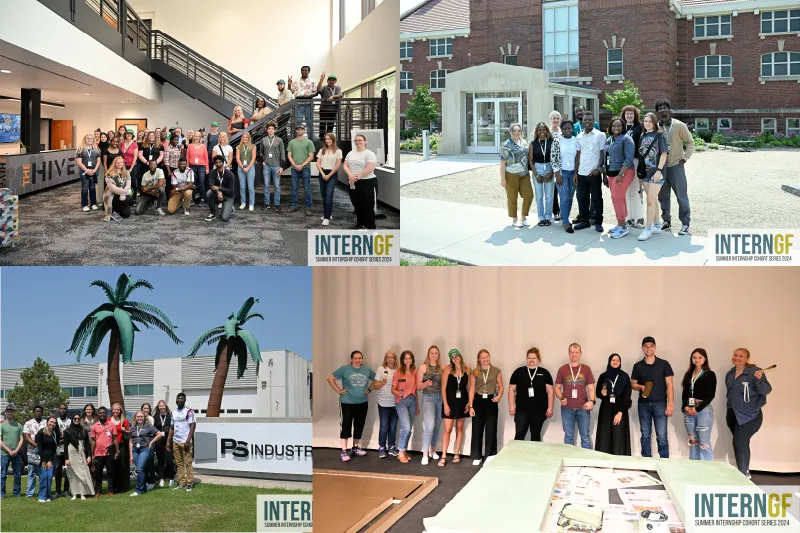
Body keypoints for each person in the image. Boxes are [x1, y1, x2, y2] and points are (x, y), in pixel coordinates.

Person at [725, 348, 771, 478]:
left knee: (739, 442)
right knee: (742, 443)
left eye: (741, 356)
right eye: (735, 355)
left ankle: (742, 474)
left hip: (750, 416)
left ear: (747, 359)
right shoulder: (730, 373)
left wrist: (760, 379)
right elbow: (730, 394)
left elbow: (766, 390)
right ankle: (745, 471)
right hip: (733, 414)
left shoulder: (755, 372)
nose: (737, 358)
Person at [655, 98, 694, 235]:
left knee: (681, 196)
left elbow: (690, 142)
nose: (663, 110)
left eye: (665, 107)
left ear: (669, 109)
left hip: (676, 166)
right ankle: (666, 221)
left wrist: (684, 159)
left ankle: (685, 224)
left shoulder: (679, 125)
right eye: (660, 108)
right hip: (661, 167)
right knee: (663, 197)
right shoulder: (656, 127)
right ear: (657, 112)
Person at [631, 336, 675, 458]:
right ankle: (646, 464)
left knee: (662, 436)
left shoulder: (664, 364)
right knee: (645, 435)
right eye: (646, 346)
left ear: (655, 347)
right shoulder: (637, 366)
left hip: (660, 404)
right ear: (642, 348)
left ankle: (665, 464)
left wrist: (670, 404)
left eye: (651, 346)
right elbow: (633, 384)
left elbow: (670, 384)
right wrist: (640, 387)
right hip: (643, 405)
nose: (648, 348)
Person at [328, 350, 376, 462]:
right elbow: (330, 378)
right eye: (355, 358)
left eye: (360, 358)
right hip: (347, 403)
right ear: (351, 359)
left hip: (362, 402)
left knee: (359, 425)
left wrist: (369, 389)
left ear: (362, 359)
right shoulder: (344, 369)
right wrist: (339, 390)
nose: (357, 360)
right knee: (346, 426)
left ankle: (355, 448)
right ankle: (344, 452)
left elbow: (376, 379)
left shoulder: (367, 370)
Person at [554, 344, 596, 449]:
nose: (574, 355)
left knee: (585, 437)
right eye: (572, 352)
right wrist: (561, 398)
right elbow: (557, 388)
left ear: (580, 353)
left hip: (583, 408)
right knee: (569, 437)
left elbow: (591, 388)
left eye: (576, 352)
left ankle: (587, 463)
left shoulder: (586, 369)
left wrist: (592, 402)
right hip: (567, 408)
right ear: (569, 353)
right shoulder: (562, 369)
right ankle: (569, 463)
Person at [509, 347, 554, 442]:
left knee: (536, 435)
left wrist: (550, 408)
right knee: (519, 435)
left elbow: (550, 392)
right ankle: (516, 456)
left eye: (534, 358)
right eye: (529, 358)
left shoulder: (544, 373)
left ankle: (535, 457)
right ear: (526, 359)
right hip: (521, 410)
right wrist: (511, 406)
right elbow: (511, 390)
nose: (531, 360)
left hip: (539, 411)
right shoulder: (518, 372)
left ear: (538, 359)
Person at [636, 112, 669, 241]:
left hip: (657, 173)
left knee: (650, 200)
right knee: (652, 200)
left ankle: (647, 229)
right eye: (645, 121)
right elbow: (640, 155)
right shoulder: (642, 136)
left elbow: (664, 154)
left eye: (650, 121)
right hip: (645, 172)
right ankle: (656, 225)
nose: (647, 123)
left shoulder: (660, 135)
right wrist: (640, 173)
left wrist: (659, 171)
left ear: (654, 122)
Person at [468, 349, 503, 466]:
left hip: (491, 401)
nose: (485, 359)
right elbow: (472, 389)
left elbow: (501, 387)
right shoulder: (475, 372)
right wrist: (471, 406)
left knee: (491, 428)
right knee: (477, 429)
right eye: (482, 357)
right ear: (479, 359)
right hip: (478, 401)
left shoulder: (496, 371)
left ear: (490, 357)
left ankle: (490, 455)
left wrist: (499, 397)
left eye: (487, 357)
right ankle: (477, 456)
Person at [681, 348, 716, 461]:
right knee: (693, 441)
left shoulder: (710, 374)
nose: (697, 360)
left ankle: (706, 472)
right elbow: (685, 393)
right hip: (689, 411)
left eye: (700, 357)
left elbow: (711, 395)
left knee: (704, 443)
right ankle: (694, 469)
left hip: (703, 411)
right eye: (694, 357)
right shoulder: (689, 374)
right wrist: (684, 406)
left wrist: (698, 409)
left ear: (705, 359)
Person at [604, 116, 636, 239]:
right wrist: (605, 174)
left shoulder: (626, 139)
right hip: (611, 172)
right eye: (614, 125)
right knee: (617, 198)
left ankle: (622, 227)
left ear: (623, 127)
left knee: (617, 198)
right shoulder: (610, 139)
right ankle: (620, 224)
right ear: (610, 127)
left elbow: (629, 159)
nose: (616, 128)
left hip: (623, 172)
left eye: (618, 125)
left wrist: (621, 174)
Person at [573, 112, 606, 232]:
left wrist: (599, 169)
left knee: (597, 198)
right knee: (583, 198)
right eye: (585, 120)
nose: (587, 122)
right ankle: (585, 221)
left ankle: (598, 222)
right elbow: (578, 155)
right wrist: (576, 172)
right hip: (582, 173)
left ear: (594, 121)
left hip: (594, 173)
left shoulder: (600, 135)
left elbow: (603, 153)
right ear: (582, 121)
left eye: (590, 120)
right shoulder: (579, 136)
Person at [594, 354, 632, 456]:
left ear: (620, 362)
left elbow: (627, 396)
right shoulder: (603, 376)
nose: (615, 362)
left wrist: (620, 413)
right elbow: (597, 393)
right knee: (605, 436)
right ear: (609, 361)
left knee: (618, 437)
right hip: (606, 410)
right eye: (613, 360)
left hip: (620, 410)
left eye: (617, 360)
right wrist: (601, 393)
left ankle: (619, 464)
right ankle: (604, 462)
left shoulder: (624, 376)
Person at [440, 349, 470, 466]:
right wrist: (446, 404)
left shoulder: (467, 368)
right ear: (450, 359)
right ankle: (443, 456)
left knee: (459, 428)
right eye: (453, 357)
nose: (456, 358)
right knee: (447, 430)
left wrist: (469, 403)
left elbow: (469, 388)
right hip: (450, 402)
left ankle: (456, 453)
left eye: (457, 356)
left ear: (460, 356)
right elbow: (443, 388)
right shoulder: (447, 369)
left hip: (462, 402)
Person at [499, 123, 532, 228]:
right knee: (512, 197)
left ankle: (523, 217)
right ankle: (514, 219)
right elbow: (502, 164)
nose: (517, 133)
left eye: (518, 131)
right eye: (514, 131)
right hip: (511, 175)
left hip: (524, 174)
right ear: (510, 132)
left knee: (529, 195)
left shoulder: (524, 142)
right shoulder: (506, 145)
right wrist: (503, 179)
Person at [344, 134, 379, 229]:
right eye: (355, 140)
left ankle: (371, 228)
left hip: (367, 182)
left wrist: (357, 177)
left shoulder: (369, 153)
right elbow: (345, 165)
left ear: (365, 141)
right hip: (353, 182)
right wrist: (351, 176)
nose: (357, 142)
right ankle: (360, 224)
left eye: (360, 140)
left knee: (367, 207)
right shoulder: (350, 153)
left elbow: (370, 168)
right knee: (357, 205)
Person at [417, 345, 444, 466]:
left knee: (437, 425)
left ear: (438, 355)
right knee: (430, 426)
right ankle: (425, 454)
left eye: (436, 353)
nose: (434, 355)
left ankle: (432, 450)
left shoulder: (441, 368)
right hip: (428, 398)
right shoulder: (423, 367)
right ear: (428, 354)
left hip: (440, 398)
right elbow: (418, 386)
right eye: (432, 353)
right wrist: (426, 384)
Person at [392, 350, 419, 464]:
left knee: (409, 428)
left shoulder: (414, 371)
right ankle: (401, 452)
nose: (408, 360)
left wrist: (417, 405)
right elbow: (393, 389)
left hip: (412, 401)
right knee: (406, 428)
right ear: (402, 360)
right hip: (401, 402)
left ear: (412, 359)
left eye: (410, 358)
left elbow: (416, 389)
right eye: (406, 358)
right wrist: (400, 394)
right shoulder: (398, 372)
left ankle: (404, 451)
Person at [128, 411, 163, 496]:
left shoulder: (149, 426)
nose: (139, 418)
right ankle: (143, 488)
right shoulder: (132, 428)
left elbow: (160, 434)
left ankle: (138, 490)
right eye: (138, 417)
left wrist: (151, 442)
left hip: (144, 449)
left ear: (144, 418)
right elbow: (131, 442)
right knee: (141, 469)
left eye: (141, 417)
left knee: (139, 468)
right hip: (135, 450)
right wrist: (131, 455)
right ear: (135, 418)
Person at [528, 122, 556, 226]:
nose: (542, 132)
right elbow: (530, 160)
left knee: (549, 196)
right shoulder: (533, 143)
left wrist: (551, 173)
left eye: (543, 130)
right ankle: (541, 217)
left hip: (549, 168)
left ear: (547, 131)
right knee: (539, 196)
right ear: (537, 131)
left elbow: (555, 159)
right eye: (539, 130)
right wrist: (536, 175)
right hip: (537, 169)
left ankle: (548, 217)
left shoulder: (552, 142)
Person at [166, 392, 196, 491]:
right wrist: (168, 441)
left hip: (185, 441)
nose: (180, 400)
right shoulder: (173, 413)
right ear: (176, 400)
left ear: (185, 400)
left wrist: (188, 440)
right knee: (179, 463)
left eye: (182, 398)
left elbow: (192, 426)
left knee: (188, 463)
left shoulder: (189, 411)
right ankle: (182, 482)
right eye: (178, 398)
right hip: (176, 441)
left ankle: (189, 483)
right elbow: (171, 427)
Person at [373, 350, 399, 459]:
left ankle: (392, 447)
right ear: (385, 359)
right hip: (383, 403)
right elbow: (375, 386)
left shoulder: (398, 370)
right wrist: (382, 383)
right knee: (384, 426)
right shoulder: (381, 369)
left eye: (392, 357)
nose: (390, 359)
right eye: (388, 357)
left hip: (396, 404)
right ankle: (382, 447)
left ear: (395, 359)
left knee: (393, 427)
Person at [552, 119, 577, 233]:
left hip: (573, 173)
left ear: (572, 129)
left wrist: (576, 173)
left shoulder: (576, 141)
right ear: (561, 130)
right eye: (565, 128)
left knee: (570, 197)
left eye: (569, 128)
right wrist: (557, 173)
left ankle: (564, 216)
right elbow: (554, 158)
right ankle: (566, 222)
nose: (567, 130)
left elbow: (578, 158)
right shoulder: (557, 141)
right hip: (562, 173)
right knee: (564, 197)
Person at [621, 105, 644, 229]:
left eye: (631, 114)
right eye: (627, 114)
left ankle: (639, 218)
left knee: (636, 189)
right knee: (625, 191)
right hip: (623, 162)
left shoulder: (639, 127)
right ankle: (628, 218)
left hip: (635, 160)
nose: (629, 116)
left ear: (635, 115)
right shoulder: (620, 127)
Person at [63, 412, 94, 500]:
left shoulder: (84, 430)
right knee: (73, 474)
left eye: (78, 419)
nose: (76, 420)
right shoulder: (67, 431)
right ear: (72, 420)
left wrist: (89, 456)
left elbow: (87, 444)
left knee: (82, 473)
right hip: (71, 453)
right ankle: (74, 493)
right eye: (75, 419)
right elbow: (65, 446)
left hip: (82, 453)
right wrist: (66, 458)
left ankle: (83, 493)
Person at [90, 406, 119, 497]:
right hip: (98, 453)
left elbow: (115, 438)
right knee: (98, 473)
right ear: (98, 414)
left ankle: (110, 490)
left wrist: (117, 451)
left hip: (109, 453)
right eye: (100, 413)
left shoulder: (111, 425)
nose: (102, 414)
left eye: (104, 413)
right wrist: (92, 454)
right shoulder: (94, 426)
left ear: (107, 414)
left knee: (110, 472)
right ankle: (98, 491)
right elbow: (93, 441)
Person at [287, 124, 316, 216]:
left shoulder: (309, 142)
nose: (299, 131)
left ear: (304, 131)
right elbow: (289, 155)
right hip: (294, 168)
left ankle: (308, 208)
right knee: (294, 188)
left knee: (307, 188)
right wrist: (295, 165)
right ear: (296, 131)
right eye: (298, 129)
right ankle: (294, 206)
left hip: (305, 168)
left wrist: (302, 165)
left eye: (301, 129)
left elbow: (311, 156)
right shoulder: (292, 142)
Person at [289, 66, 324, 139]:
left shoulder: (313, 81)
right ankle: (298, 140)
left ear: (309, 71)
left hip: (309, 104)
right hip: (298, 104)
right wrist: (289, 84)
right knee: (298, 123)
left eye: (306, 70)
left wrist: (308, 96)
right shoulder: (296, 81)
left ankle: (311, 140)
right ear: (301, 71)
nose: (304, 72)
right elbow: (290, 91)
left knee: (310, 123)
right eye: (303, 70)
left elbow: (316, 92)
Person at [316, 132, 343, 226]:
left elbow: (338, 165)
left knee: (328, 195)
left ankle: (327, 218)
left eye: (329, 139)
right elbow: (318, 163)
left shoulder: (338, 151)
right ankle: (328, 213)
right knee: (323, 195)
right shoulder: (322, 150)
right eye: (326, 139)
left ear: (333, 139)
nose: (327, 141)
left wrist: (329, 175)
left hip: (332, 174)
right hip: (322, 173)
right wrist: (323, 174)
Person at [0, 404, 24, 499]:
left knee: (17, 474)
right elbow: (0, 440)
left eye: (11, 411)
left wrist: (16, 450)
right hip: (4, 454)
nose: (10, 413)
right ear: (5, 412)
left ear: (13, 413)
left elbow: (21, 439)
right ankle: (1, 493)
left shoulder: (18, 425)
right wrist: (9, 450)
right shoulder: (2, 425)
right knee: (2, 474)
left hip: (16, 454)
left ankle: (16, 493)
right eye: (8, 411)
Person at [261, 121, 285, 212]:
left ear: (274, 130)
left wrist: (281, 166)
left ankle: (277, 204)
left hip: (276, 166)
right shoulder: (263, 140)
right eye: (269, 129)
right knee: (266, 185)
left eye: (272, 129)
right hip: (266, 166)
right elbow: (261, 152)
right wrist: (263, 161)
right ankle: (266, 203)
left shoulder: (279, 140)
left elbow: (282, 153)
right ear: (267, 130)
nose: (270, 130)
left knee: (277, 186)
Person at [23, 405, 47, 498]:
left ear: (42, 412)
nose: (38, 413)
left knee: (42, 472)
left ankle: (42, 492)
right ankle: (29, 494)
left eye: (40, 411)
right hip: (32, 451)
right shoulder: (28, 423)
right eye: (36, 411)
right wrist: (36, 445)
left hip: (43, 451)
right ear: (34, 412)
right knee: (32, 473)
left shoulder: (45, 423)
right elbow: (26, 436)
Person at [205, 155, 236, 222]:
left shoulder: (230, 174)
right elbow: (212, 186)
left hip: (228, 196)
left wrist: (220, 188)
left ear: (223, 162)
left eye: (220, 162)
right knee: (209, 193)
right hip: (217, 194)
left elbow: (231, 191)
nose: (218, 164)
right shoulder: (212, 172)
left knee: (224, 218)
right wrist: (218, 192)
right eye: (216, 162)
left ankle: (230, 208)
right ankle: (213, 213)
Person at [35, 417, 59, 502]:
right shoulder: (40, 433)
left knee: (49, 477)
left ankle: (48, 495)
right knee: (43, 477)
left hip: (51, 459)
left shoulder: (55, 433)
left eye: (54, 423)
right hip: (42, 458)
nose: (52, 424)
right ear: (47, 422)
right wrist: (44, 461)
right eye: (51, 422)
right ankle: (41, 497)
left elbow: (54, 448)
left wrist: (50, 460)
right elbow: (40, 448)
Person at [103, 156, 133, 221]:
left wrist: (123, 193)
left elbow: (128, 184)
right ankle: (113, 211)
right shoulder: (109, 173)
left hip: (122, 194)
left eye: (121, 162)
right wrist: (124, 192)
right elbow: (113, 188)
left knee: (126, 214)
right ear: (114, 163)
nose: (120, 164)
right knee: (128, 198)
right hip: (112, 194)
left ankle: (118, 210)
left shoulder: (126, 172)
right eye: (117, 163)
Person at [76, 133, 101, 212]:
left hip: (94, 170)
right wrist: (87, 170)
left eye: (91, 138)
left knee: (93, 188)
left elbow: (98, 161)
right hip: (84, 171)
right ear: (85, 139)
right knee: (85, 188)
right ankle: (84, 204)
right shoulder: (80, 149)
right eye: (88, 138)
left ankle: (93, 204)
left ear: (93, 140)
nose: (90, 140)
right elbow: (79, 162)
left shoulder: (96, 149)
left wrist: (94, 170)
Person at [153, 400, 174, 487]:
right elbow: (153, 428)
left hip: (168, 440)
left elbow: (173, 427)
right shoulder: (155, 417)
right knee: (160, 461)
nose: (162, 407)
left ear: (166, 406)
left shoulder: (170, 415)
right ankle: (162, 478)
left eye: (163, 405)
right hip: (159, 441)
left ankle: (171, 478)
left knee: (169, 460)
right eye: (160, 406)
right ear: (158, 407)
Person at [109, 403, 130, 493]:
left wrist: (124, 429)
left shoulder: (124, 421)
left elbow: (129, 432)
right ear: (112, 410)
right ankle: (114, 487)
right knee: (113, 466)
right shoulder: (108, 420)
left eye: (118, 410)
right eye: (114, 409)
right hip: (111, 446)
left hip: (122, 445)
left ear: (120, 411)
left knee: (122, 465)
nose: (116, 411)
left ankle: (123, 487)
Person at [136, 131, 163, 198]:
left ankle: (155, 194)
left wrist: (155, 163)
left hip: (155, 166)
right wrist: (147, 162)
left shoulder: (160, 145)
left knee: (155, 180)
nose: (151, 137)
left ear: (155, 137)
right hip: (144, 165)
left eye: (152, 135)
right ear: (147, 136)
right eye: (149, 135)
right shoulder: (142, 144)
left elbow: (161, 156)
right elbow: (140, 155)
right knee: (143, 179)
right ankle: (143, 193)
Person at [236, 131, 257, 210]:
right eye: (243, 137)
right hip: (241, 168)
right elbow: (237, 158)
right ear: (241, 138)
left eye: (246, 137)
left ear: (249, 138)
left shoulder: (253, 146)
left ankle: (251, 204)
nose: (245, 138)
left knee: (250, 187)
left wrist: (248, 167)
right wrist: (242, 167)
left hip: (250, 167)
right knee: (242, 187)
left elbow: (253, 158)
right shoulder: (238, 147)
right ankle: (243, 202)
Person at [54, 403, 71, 498]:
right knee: (57, 470)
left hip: (68, 449)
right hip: (57, 449)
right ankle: (57, 491)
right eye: (61, 408)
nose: (63, 410)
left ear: (67, 410)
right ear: (58, 409)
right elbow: (55, 436)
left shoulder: (70, 421)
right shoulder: (55, 421)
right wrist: (63, 438)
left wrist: (63, 438)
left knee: (68, 471)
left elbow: (71, 435)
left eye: (65, 408)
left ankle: (66, 491)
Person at [187, 132, 208, 205]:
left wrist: (207, 168)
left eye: (198, 136)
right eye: (195, 136)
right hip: (192, 166)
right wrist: (187, 167)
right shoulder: (190, 146)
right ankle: (192, 199)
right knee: (193, 183)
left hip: (202, 166)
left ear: (200, 137)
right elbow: (187, 157)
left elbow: (206, 158)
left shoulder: (203, 146)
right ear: (193, 137)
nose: (196, 137)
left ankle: (202, 199)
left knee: (201, 183)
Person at [548, 111, 562, 221]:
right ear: (550, 119)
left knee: (560, 187)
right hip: (549, 163)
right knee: (553, 190)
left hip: (560, 164)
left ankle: (562, 211)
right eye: (554, 118)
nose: (556, 120)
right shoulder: (547, 132)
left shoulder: (562, 132)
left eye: (557, 118)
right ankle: (555, 211)